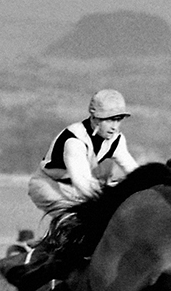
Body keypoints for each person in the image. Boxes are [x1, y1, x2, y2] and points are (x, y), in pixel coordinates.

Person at [27, 89, 139, 219]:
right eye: (109, 120)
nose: (114, 127)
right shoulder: (75, 141)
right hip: (49, 185)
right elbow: (83, 184)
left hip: (75, 188)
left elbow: (135, 173)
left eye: (118, 120)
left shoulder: (117, 140)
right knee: (76, 222)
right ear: (95, 119)